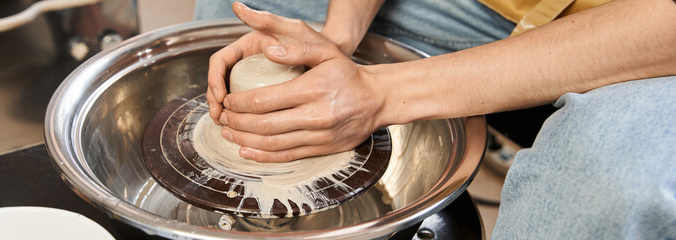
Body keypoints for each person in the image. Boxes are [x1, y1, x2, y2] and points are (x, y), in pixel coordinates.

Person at [194, 0, 676, 238]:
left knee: (606, 185)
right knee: (257, 11)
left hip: (647, 34)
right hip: (496, 9)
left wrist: (381, 93)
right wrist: (335, 39)